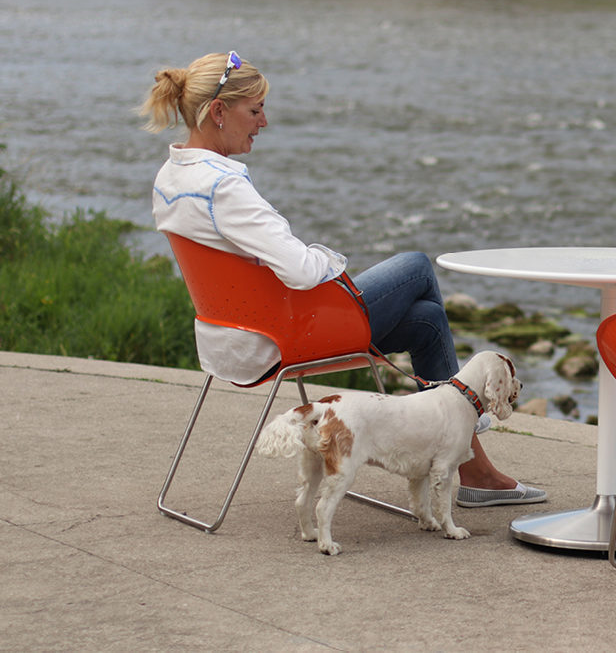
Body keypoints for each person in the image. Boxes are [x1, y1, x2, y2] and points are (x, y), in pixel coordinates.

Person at [138, 51, 545, 507]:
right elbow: (302, 269)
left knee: (428, 320)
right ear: (218, 111)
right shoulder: (224, 187)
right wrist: (325, 256)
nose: (264, 122)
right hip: (284, 337)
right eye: (254, 110)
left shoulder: (170, 177)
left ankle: (475, 470)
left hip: (229, 336)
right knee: (415, 265)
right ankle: (468, 419)